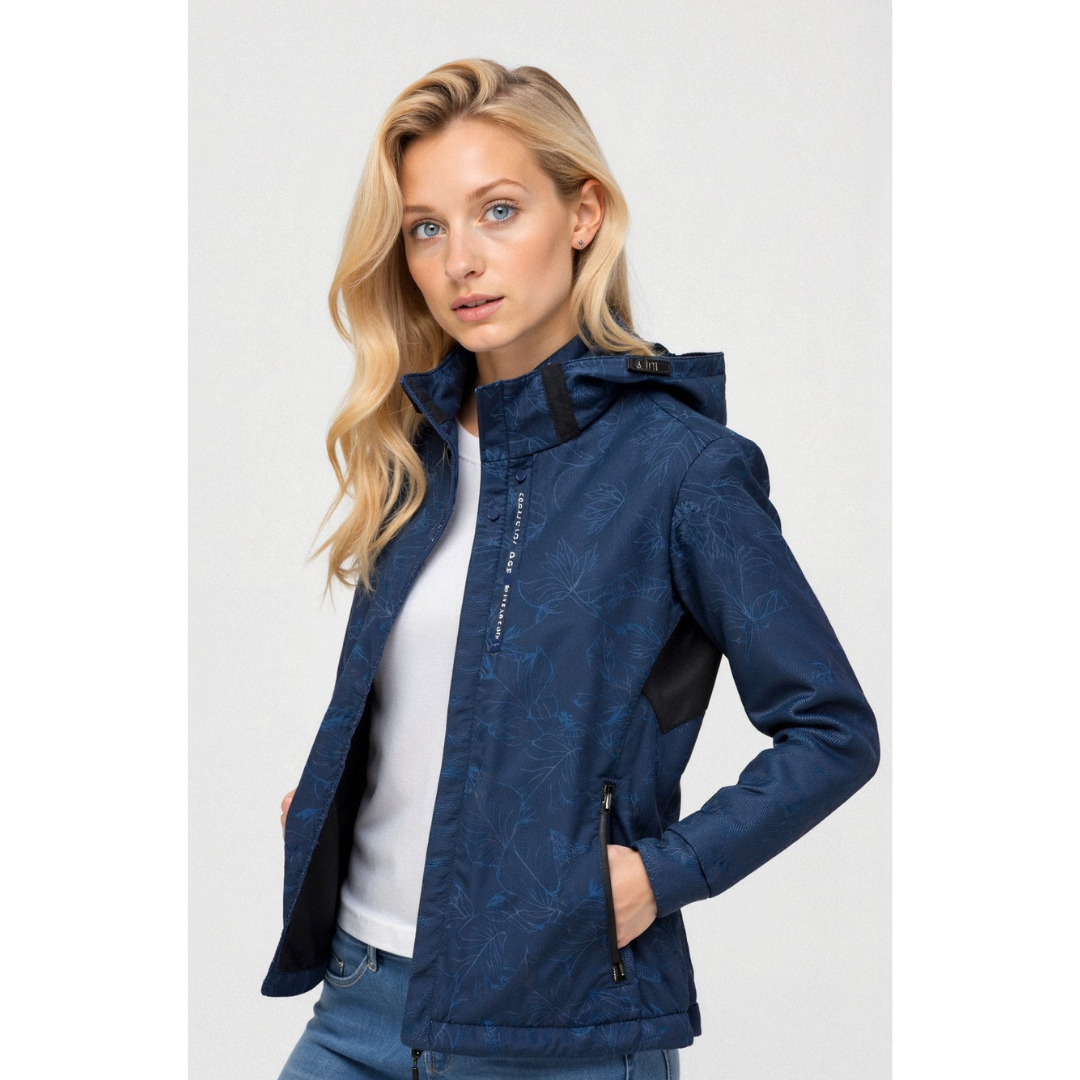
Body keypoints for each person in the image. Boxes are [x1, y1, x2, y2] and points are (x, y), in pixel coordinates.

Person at [264, 58, 880, 1080]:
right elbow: (438, 700)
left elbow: (833, 730)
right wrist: (336, 791)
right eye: (426, 228)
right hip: (361, 996)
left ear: (583, 213)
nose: (462, 260)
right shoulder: (413, 450)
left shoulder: (681, 469)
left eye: (498, 211)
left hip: (561, 1028)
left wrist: (660, 875)